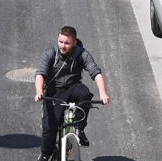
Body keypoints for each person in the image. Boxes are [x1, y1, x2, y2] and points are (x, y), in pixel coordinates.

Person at [34, 26, 110, 161]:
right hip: (54, 91)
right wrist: (40, 91)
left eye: (67, 43)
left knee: (85, 94)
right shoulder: (50, 53)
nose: (63, 46)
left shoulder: (82, 54)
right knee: (50, 127)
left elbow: (96, 72)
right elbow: (41, 73)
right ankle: (45, 154)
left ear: (75, 43)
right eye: (60, 42)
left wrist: (103, 93)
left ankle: (80, 129)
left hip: (73, 88)